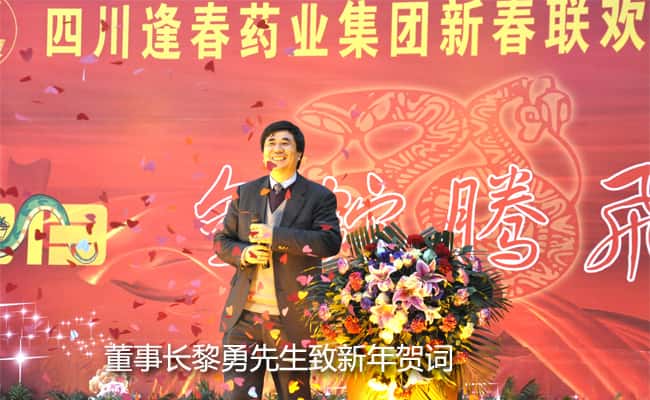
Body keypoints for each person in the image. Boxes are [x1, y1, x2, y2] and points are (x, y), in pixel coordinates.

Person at [214, 120, 342, 400]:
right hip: (244, 318)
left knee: (293, 395)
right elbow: (222, 241)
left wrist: (276, 236)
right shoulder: (245, 193)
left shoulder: (319, 197)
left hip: (291, 320)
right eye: (270, 143)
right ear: (263, 153)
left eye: (285, 142)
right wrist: (244, 253)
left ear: (299, 154)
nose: (277, 148)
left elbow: (329, 242)